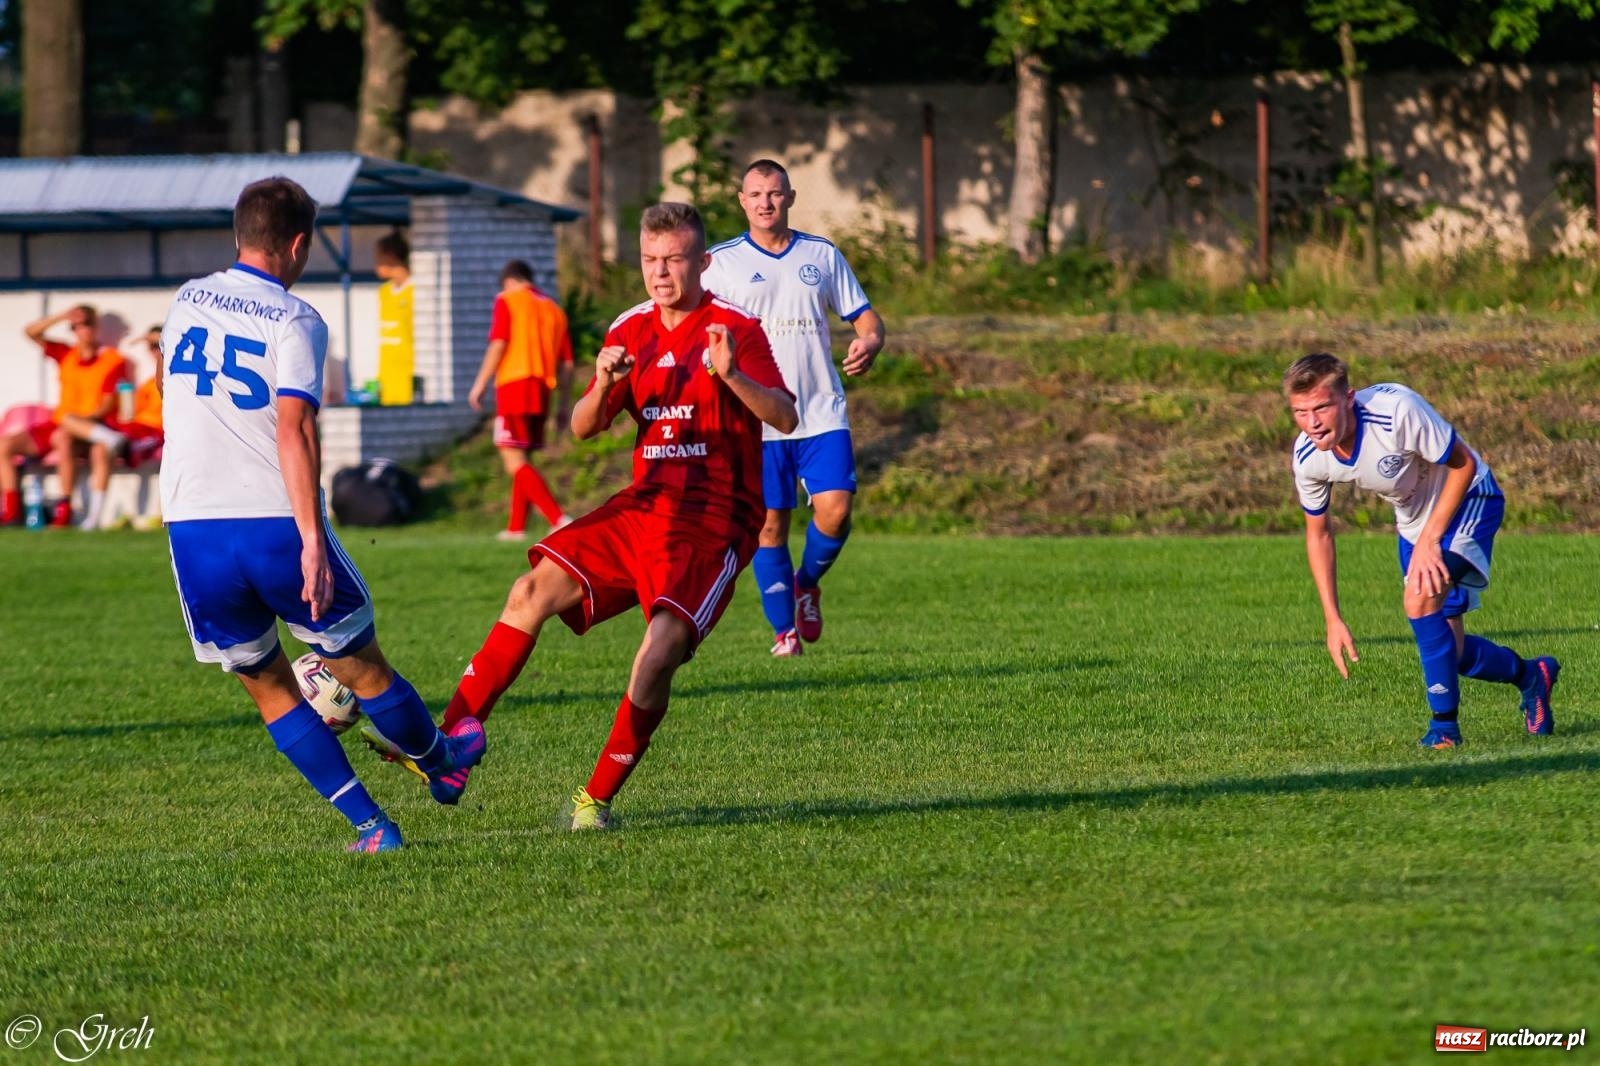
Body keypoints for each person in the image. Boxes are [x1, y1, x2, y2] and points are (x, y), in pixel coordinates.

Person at [364, 202, 797, 829]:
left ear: (702, 263)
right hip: (642, 507)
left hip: (712, 521)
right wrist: (602, 383)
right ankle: (450, 745)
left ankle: (595, 800)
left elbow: (784, 415)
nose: (661, 273)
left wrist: (732, 377)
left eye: (674, 260)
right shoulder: (631, 331)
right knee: (529, 590)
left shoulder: (735, 331)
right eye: (650, 260)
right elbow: (584, 427)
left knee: (657, 654)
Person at [160, 175, 485, 853]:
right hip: (272, 520)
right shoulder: (296, 317)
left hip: (192, 528)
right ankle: (441, 764)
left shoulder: (186, 300)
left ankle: (371, 829)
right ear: (300, 244)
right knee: (361, 668)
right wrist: (311, 538)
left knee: (269, 687)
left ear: (239, 234)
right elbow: (294, 428)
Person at [1285, 352, 1558, 748]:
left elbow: (1463, 464)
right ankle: (1532, 675)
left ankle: (1443, 731)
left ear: (1348, 399)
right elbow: (1319, 534)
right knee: (1454, 653)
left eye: (1322, 407)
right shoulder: (1308, 457)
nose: (1312, 422)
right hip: (1415, 526)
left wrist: (1431, 541)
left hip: (1469, 498)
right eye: (1300, 411)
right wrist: (1333, 618)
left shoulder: (1397, 411)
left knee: (1418, 602)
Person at [701, 158, 886, 657]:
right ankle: (784, 634)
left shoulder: (820, 255)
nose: (765, 203)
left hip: (821, 410)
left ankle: (807, 582)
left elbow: (867, 319)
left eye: (775, 193)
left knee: (837, 511)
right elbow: (698, 332)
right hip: (756, 418)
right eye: (756, 194)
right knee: (770, 525)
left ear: (791, 197)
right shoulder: (718, 263)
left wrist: (870, 342)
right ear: (742, 201)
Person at [467, 259, 574, 540]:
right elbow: (568, 364)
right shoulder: (554, 309)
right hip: (542, 389)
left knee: (512, 458)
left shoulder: (508, 300)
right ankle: (516, 528)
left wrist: (479, 384)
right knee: (522, 455)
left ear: (510, 282)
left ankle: (557, 518)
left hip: (515, 384)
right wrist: (564, 406)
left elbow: (499, 343)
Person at [0, 305, 126, 527]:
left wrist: (82, 421)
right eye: (75, 325)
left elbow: (108, 403)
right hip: (60, 422)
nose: (81, 329)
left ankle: (64, 509)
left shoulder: (111, 360)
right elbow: (30, 332)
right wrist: (61, 315)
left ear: (95, 327)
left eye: (86, 323)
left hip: (89, 426)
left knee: (64, 437)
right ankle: (11, 512)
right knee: (4, 446)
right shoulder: (66, 354)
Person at [57, 323, 167, 529]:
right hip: (132, 430)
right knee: (87, 439)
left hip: (152, 433)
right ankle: (95, 517)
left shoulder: (174, 378)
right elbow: (130, 414)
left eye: (157, 345)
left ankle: (111, 441)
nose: (154, 351)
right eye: (151, 346)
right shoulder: (148, 383)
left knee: (76, 429)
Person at [374, 230, 415, 405]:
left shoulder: (415, 290)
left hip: (409, 372)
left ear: (390, 256)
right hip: (388, 374)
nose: (375, 263)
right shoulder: (384, 293)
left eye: (378, 257)